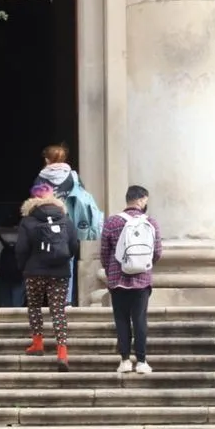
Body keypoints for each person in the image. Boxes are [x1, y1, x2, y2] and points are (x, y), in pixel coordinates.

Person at [16, 183, 79, 372]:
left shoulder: (28, 221)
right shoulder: (65, 219)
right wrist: (64, 259)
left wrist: (24, 267)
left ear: (32, 200)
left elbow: (21, 248)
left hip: (34, 271)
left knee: (34, 306)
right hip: (60, 272)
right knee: (58, 310)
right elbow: (74, 245)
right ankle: (62, 352)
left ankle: (38, 343)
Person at [100, 185, 162, 374]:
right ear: (142, 199)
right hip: (142, 280)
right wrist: (144, 264)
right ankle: (142, 361)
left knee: (121, 319)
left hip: (117, 280)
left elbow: (104, 252)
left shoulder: (112, 222)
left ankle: (125, 360)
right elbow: (157, 252)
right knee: (140, 319)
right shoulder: (151, 222)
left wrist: (111, 270)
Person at [32, 143, 103, 307]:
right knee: (68, 261)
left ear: (47, 159)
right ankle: (66, 300)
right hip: (68, 224)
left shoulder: (41, 177)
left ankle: (50, 298)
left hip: (47, 224)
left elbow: (35, 201)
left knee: (46, 261)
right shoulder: (73, 176)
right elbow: (82, 197)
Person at [0, 212, 25, 308]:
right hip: (20, 274)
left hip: (3, 274)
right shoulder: (24, 236)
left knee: (5, 302)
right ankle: (17, 322)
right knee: (18, 303)